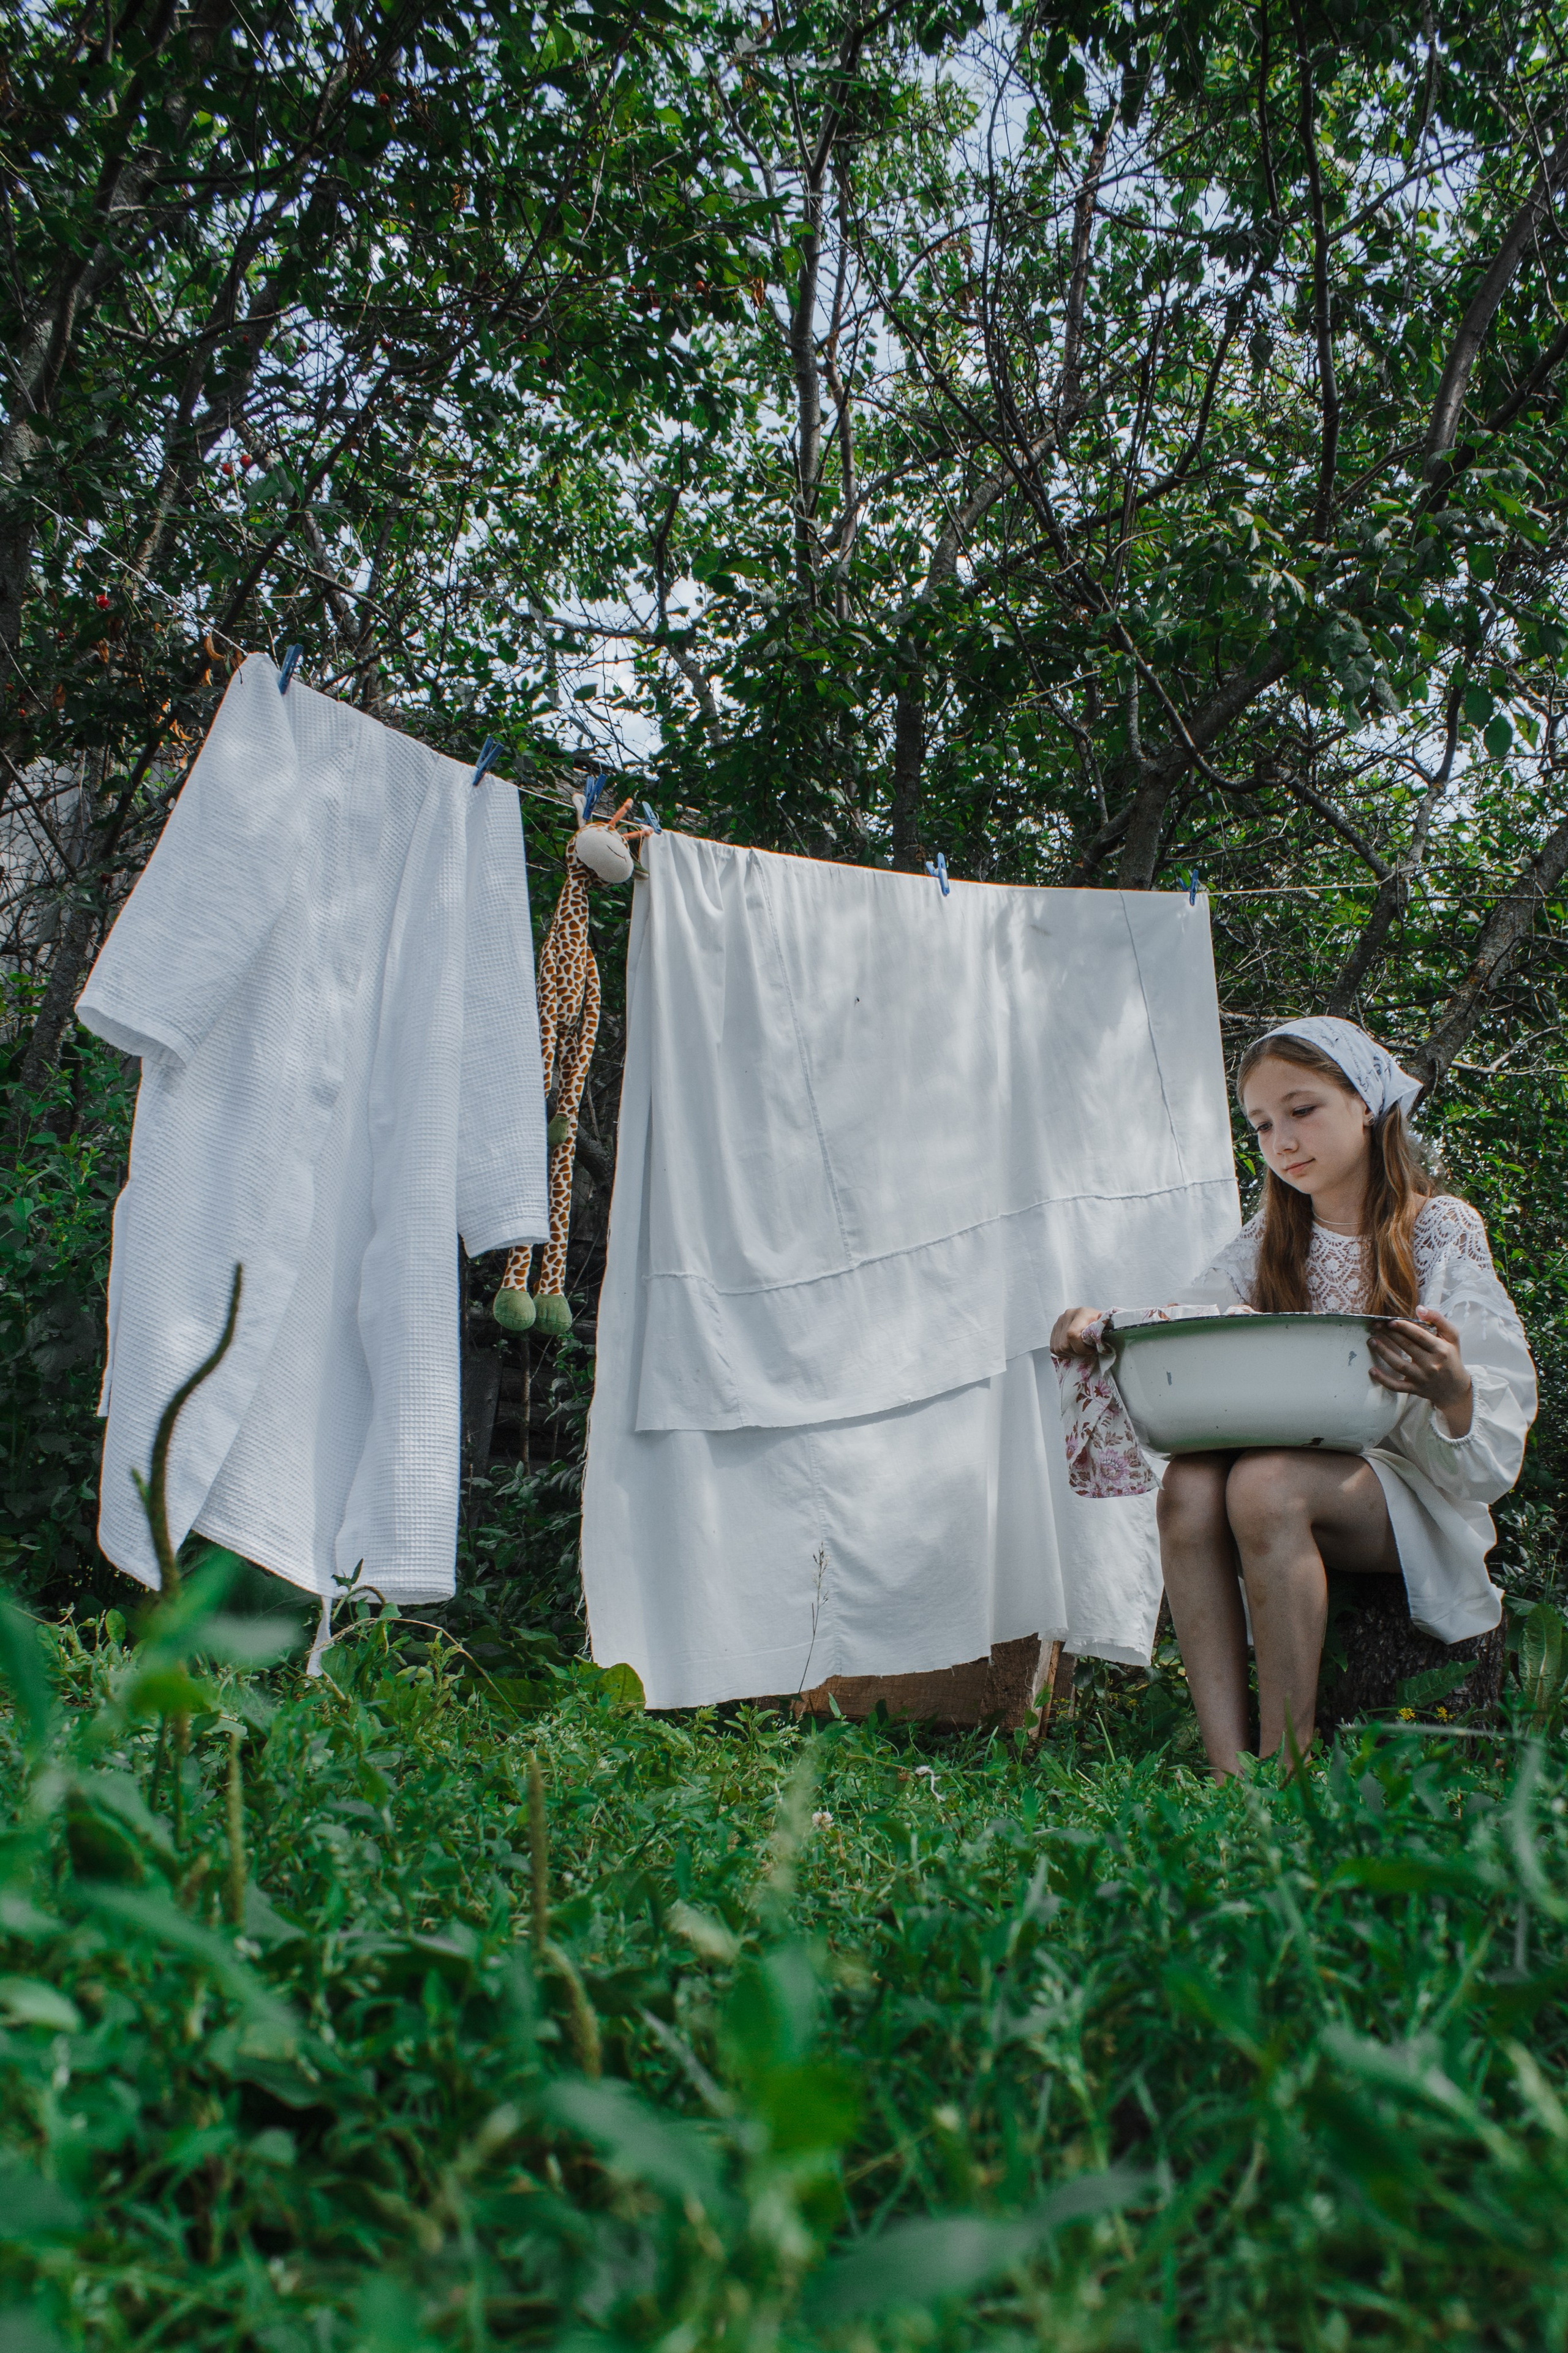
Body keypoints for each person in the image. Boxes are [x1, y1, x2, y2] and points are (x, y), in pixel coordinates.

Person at [1051, 1016, 1537, 1777]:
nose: (1281, 1140)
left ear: (1365, 1104)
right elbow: (1185, 1331)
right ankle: (1228, 1770)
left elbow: (1488, 1464)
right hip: (1292, 1478)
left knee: (1266, 1482)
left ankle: (1286, 1767)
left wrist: (1453, 1391)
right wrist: (1095, 1324)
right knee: (1188, 1485)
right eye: (1261, 1124)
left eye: (1301, 1109)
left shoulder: (1435, 1227)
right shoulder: (1270, 1239)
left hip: (1415, 1493)